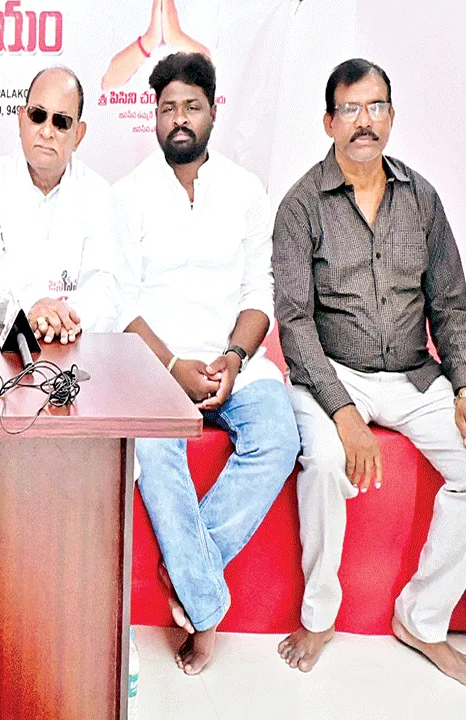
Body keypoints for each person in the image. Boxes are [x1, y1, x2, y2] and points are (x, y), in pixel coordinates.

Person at [273, 58, 466, 687]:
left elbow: (451, 303)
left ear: (392, 117)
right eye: (350, 109)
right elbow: (294, 324)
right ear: (329, 122)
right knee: (326, 461)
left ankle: (421, 618)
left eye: (375, 107)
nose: (364, 121)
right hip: (332, 373)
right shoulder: (300, 205)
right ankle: (319, 617)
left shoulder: (422, 199)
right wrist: (344, 414)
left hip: (412, 375)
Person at [114, 52, 300, 674]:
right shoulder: (128, 196)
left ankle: (189, 571)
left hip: (234, 362)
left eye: (191, 106)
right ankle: (207, 606)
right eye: (167, 108)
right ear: (153, 116)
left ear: (213, 112)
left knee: (279, 435)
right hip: (155, 365)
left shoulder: (247, 192)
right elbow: (122, 301)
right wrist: (172, 366)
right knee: (153, 454)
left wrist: (233, 357)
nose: (179, 119)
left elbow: (258, 293)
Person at [0, 66, 131, 343]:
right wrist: (32, 308)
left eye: (61, 122)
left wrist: (63, 320)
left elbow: (106, 286)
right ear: (21, 119)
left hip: (77, 346)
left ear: (78, 134)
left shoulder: (99, 193)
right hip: (6, 351)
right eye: (38, 116)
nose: (46, 131)